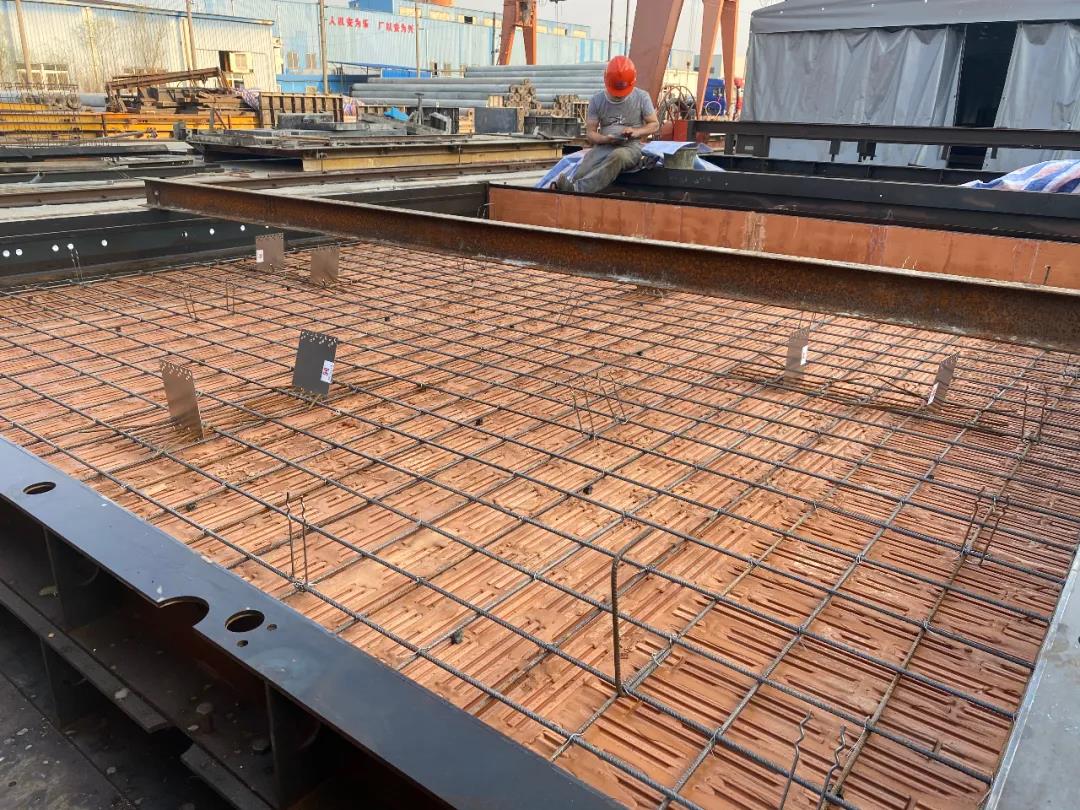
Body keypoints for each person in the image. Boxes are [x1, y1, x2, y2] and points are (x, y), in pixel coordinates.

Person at [554, 56, 660, 194]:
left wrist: (636, 132)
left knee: (618, 156)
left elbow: (654, 124)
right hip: (604, 146)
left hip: (630, 147)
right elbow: (591, 133)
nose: (619, 96)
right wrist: (606, 139)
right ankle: (573, 189)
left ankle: (577, 190)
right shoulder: (597, 100)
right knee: (583, 171)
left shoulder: (642, 97)